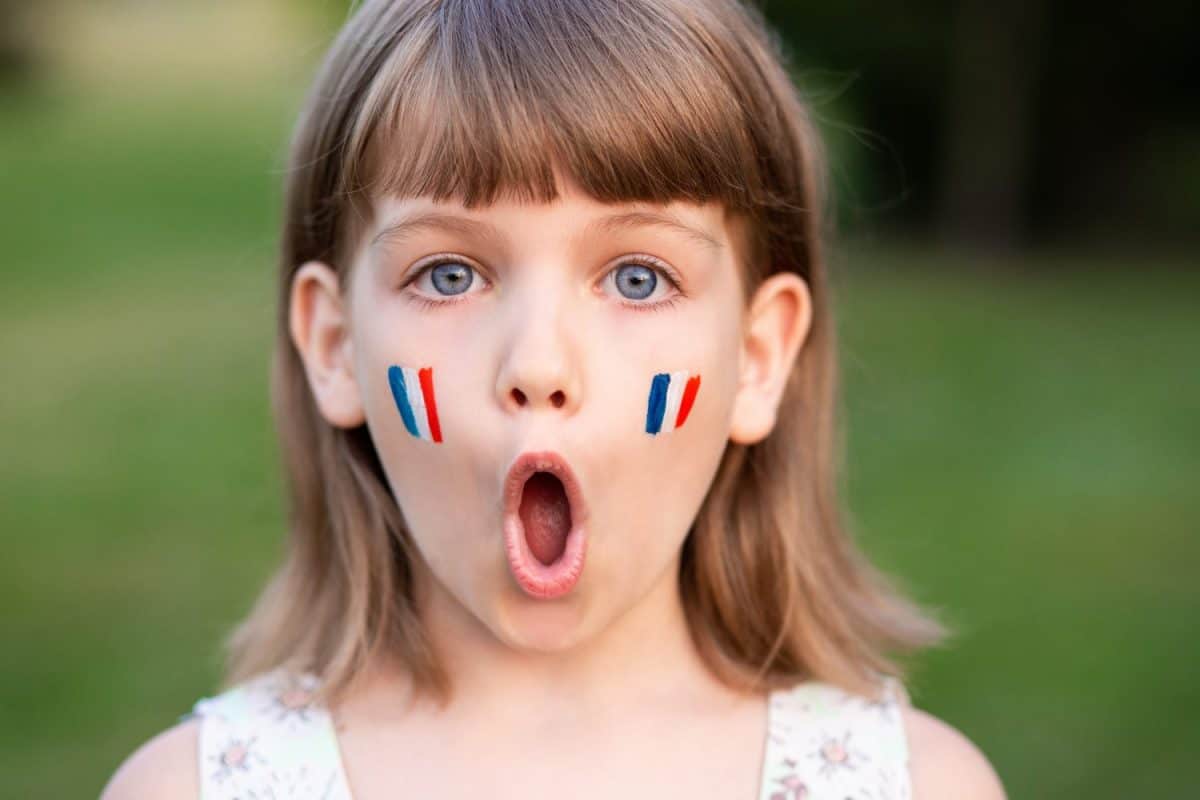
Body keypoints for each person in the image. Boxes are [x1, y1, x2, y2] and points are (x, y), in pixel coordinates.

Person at [101, 0, 1006, 797]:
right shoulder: (193, 789)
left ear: (758, 357)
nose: (538, 364)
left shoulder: (914, 786)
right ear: (336, 348)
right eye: (448, 274)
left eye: (640, 277)